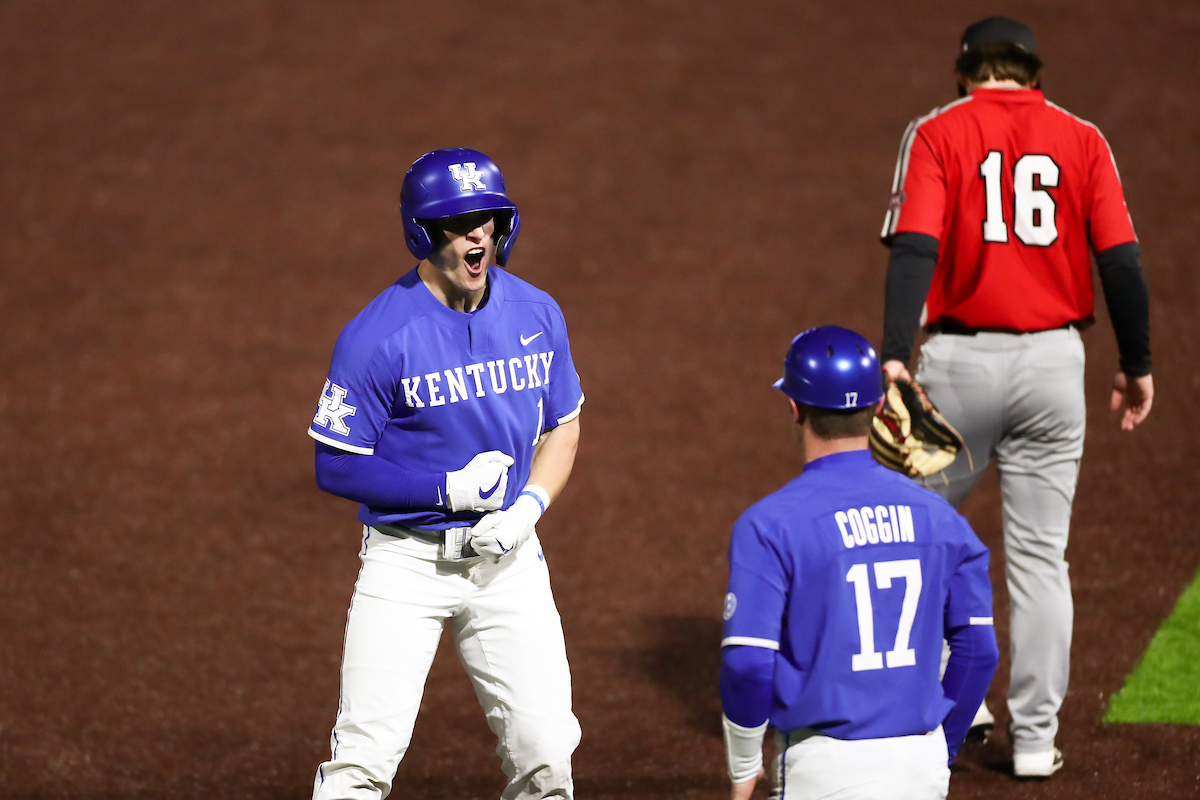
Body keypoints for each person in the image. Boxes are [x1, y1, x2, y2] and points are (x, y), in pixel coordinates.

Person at [878, 16, 1153, 778]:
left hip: (957, 369)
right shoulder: (1083, 138)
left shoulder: (936, 132)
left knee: (909, 530)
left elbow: (915, 247)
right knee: (1040, 561)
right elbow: (1121, 262)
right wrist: (1137, 362)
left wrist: (894, 353)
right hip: (1054, 369)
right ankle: (1034, 741)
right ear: (1034, 75)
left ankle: (947, 697)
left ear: (964, 73)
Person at [306, 147, 585, 800]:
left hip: (508, 562)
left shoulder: (537, 313)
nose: (476, 236)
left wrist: (528, 509)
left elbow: (564, 426)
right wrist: (447, 490)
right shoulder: (376, 336)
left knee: (548, 758)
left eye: (486, 220)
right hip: (407, 564)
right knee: (363, 763)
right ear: (422, 233)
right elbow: (333, 463)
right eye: (458, 225)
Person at [720, 326, 999, 800]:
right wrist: (942, 748)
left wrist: (744, 764)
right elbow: (979, 650)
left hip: (822, 770)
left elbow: (748, 661)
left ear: (795, 408)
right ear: (878, 407)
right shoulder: (943, 519)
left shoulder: (769, 525)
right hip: (921, 765)